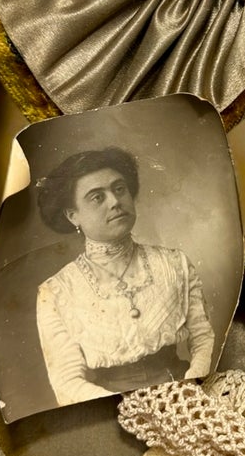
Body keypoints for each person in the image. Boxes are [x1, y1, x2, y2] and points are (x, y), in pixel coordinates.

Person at [34, 147, 214, 406]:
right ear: (73, 215)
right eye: (97, 197)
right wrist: (129, 409)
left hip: (186, 394)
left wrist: (188, 391)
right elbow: (67, 381)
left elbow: (203, 337)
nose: (115, 201)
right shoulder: (56, 292)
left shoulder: (174, 264)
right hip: (110, 408)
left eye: (119, 189)